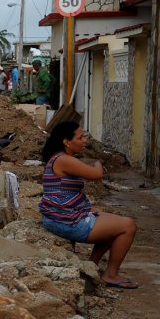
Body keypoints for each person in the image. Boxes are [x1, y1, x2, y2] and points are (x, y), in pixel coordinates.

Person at [40, 121, 138, 288]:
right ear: (66, 142)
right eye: (80, 137)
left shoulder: (60, 158)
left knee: (109, 220)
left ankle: (91, 265)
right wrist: (97, 162)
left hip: (60, 217)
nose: (85, 140)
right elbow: (96, 174)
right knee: (128, 226)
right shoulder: (63, 160)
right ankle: (111, 275)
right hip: (66, 221)